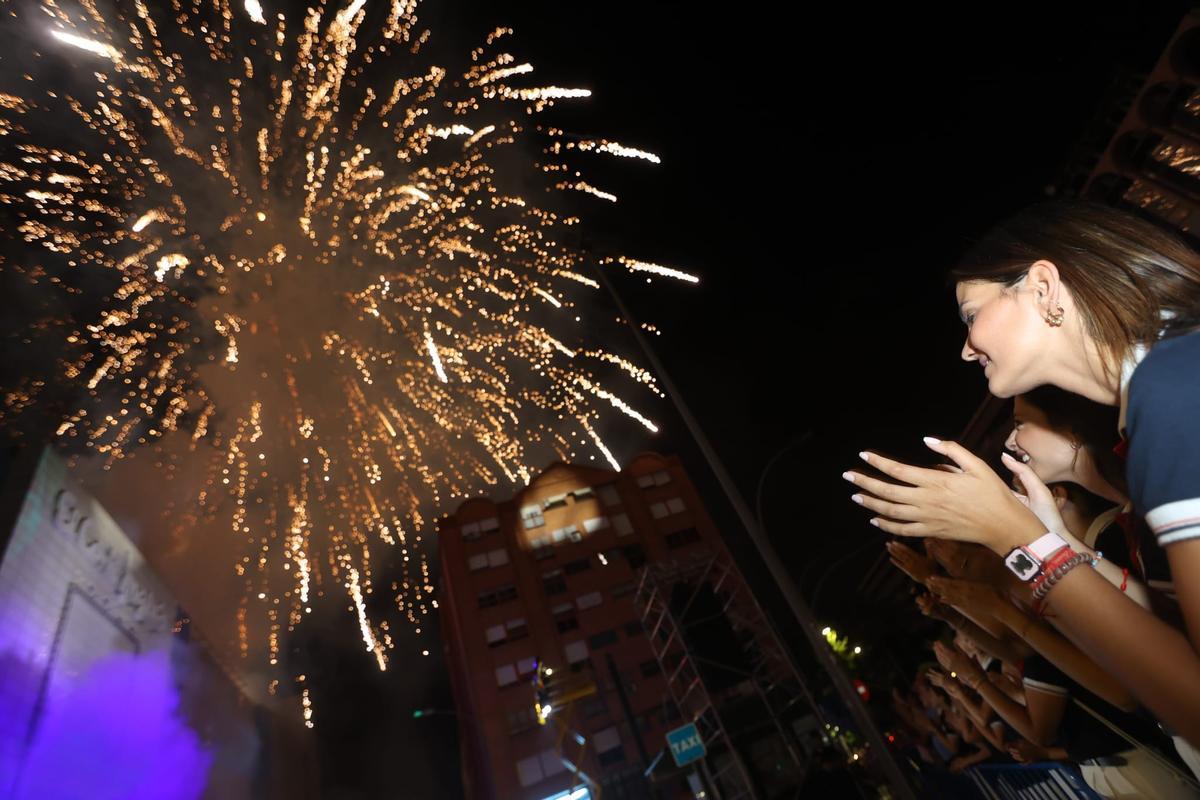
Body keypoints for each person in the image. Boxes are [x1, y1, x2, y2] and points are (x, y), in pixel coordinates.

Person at [842, 201, 1200, 747]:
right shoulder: (1165, 387)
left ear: (1042, 286)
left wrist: (1020, 539)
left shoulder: (1173, 390)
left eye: (970, 316)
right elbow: (1174, 636)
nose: (965, 349)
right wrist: (1052, 541)